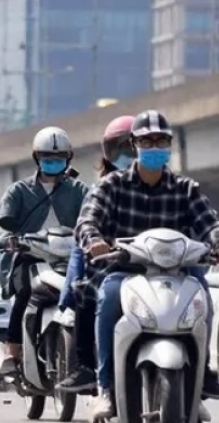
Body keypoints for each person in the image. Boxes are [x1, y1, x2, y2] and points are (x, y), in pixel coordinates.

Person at [75, 109, 219, 420]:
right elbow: (88, 220)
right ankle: (105, 388)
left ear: (170, 145)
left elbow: (210, 222)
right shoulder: (112, 186)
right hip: (124, 271)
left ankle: (201, 380)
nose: (154, 147)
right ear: (134, 145)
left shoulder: (185, 189)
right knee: (107, 298)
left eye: (161, 141)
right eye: (147, 141)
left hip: (176, 273)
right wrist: (94, 239)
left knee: (203, 296)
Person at [0, 126, 88, 369]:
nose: (53, 162)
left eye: (59, 157)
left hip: (71, 258)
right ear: (37, 158)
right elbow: (1, 222)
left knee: (89, 294)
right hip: (30, 257)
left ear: (68, 158)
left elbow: (94, 216)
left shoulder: (80, 190)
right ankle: (13, 351)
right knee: (25, 292)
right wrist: (8, 238)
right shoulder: (18, 191)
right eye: (47, 157)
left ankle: (89, 355)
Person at [54, 115, 136, 392]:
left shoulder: (170, 187)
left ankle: (199, 372)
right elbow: (85, 226)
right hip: (114, 267)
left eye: (133, 147)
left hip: (158, 267)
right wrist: (94, 241)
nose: (128, 155)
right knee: (86, 292)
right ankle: (90, 369)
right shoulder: (102, 189)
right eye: (121, 148)